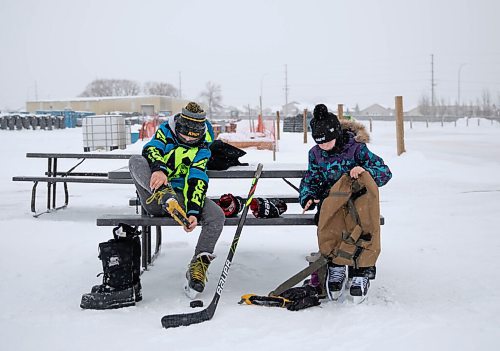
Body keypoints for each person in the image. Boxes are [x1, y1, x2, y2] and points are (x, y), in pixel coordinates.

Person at [129, 101, 225, 299]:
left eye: (193, 135)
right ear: (179, 127)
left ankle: (199, 264)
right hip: (155, 196)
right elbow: (152, 149)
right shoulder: (165, 132)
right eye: (185, 134)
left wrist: (194, 211)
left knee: (217, 215)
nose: (189, 138)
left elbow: (197, 178)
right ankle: (164, 194)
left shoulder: (203, 149)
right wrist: (159, 169)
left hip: (182, 197)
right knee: (135, 161)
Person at [299, 103, 392, 303]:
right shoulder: (315, 154)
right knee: (331, 228)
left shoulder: (356, 148)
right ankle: (337, 266)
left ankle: (362, 270)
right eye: (319, 142)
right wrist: (307, 197)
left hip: (358, 204)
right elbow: (311, 179)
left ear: (336, 134)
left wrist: (365, 172)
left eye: (327, 141)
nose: (323, 146)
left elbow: (385, 172)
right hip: (332, 204)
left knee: (362, 228)